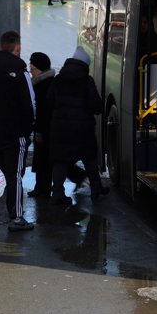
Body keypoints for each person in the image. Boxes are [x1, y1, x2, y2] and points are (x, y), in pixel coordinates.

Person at [0, 31, 36, 231]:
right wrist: (28, 128)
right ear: (17, 48)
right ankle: (16, 217)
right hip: (16, 133)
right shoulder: (21, 72)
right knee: (15, 175)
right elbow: (30, 104)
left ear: (1, 46)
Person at [47, 46, 108, 205]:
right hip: (83, 129)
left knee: (60, 160)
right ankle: (96, 188)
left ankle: (58, 193)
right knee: (89, 158)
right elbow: (96, 106)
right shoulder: (87, 81)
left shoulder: (58, 80)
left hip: (60, 128)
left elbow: (49, 102)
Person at [27, 52, 54, 197]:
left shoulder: (42, 86)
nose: (31, 73)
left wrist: (39, 130)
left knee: (43, 159)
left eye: (32, 69)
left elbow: (43, 111)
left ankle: (42, 189)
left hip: (44, 128)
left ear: (39, 69)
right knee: (44, 159)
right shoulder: (48, 82)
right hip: (46, 128)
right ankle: (42, 187)